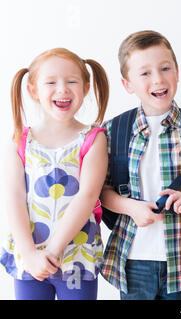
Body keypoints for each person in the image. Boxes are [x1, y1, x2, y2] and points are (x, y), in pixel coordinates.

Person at [100, 30, 181, 300]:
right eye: (145, 73)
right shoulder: (115, 130)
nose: (158, 79)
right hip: (133, 259)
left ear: (177, 72)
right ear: (127, 84)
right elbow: (102, 192)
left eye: (165, 68)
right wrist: (131, 207)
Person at [1, 48, 109, 300]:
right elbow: (14, 197)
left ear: (85, 87)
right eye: (51, 82)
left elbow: (87, 195)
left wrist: (53, 250)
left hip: (76, 258)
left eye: (71, 81)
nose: (62, 89)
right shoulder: (20, 139)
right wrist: (30, 254)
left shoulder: (94, 139)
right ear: (33, 90)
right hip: (30, 260)